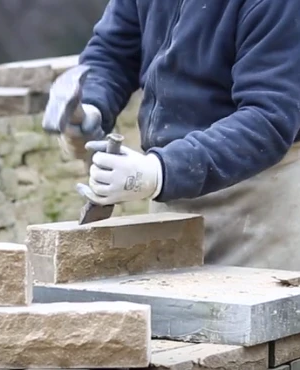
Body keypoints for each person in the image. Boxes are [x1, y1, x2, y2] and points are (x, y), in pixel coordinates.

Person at [54, 0, 300, 271]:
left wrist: (159, 171)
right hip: (171, 191)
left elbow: (268, 118)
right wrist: (91, 107)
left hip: (260, 199)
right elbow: (113, 52)